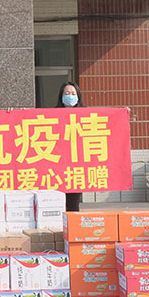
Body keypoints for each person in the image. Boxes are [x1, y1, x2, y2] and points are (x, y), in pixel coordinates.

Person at [57, 81, 84, 212]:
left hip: (76, 166)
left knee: (73, 204)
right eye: (67, 93)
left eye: (73, 93)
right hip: (57, 166)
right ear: (61, 96)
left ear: (78, 96)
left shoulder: (85, 115)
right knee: (57, 202)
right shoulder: (52, 114)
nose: (70, 96)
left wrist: (122, 113)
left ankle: (74, 225)